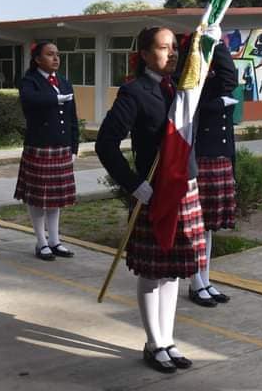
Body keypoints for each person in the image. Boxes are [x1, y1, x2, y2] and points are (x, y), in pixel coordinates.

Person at [96, 26, 206, 374]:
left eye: (174, 47)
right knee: (152, 272)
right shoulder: (135, 92)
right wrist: (134, 184)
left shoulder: (182, 88)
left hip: (183, 189)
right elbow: (105, 144)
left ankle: (168, 339)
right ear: (144, 53)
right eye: (163, 48)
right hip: (155, 192)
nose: (171, 53)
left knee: (172, 273)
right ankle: (153, 342)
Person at [14, 41, 78, 261]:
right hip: (40, 147)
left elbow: (72, 118)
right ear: (37, 59)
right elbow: (30, 100)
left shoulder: (64, 82)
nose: (56, 58)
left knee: (55, 199)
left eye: (57, 54)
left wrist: (74, 146)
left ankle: (55, 241)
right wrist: (55, 98)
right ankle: (41, 242)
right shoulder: (29, 82)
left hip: (61, 147)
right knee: (38, 198)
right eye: (50, 54)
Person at [189, 43, 238, 307]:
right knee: (198, 227)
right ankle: (196, 283)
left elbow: (230, 76)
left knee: (208, 228)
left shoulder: (217, 83)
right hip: (202, 160)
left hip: (220, 159)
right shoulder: (194, 86)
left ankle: (205, 279)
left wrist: (217, 45)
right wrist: (214, 43)